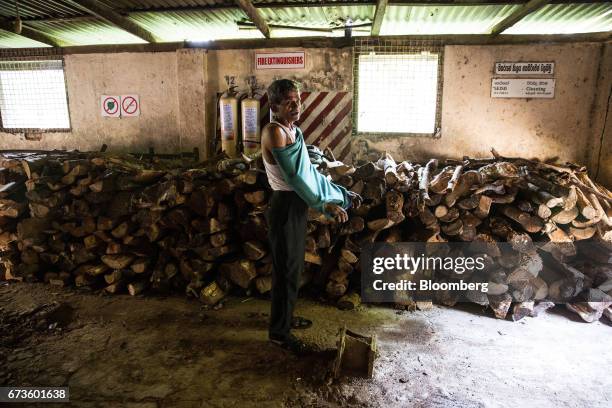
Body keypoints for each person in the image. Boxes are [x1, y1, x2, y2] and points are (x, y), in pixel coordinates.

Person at [261, 79, 361, 354]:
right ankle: (279, 334)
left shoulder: (295, 131)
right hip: (285, 204)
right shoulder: (275, 132)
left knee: (293, 268)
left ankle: (286, 319)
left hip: (297, 204)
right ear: (275, 106)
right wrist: (323, 205)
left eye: (298, 100)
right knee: (285, 271)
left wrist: (336, 193)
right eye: (289, 102)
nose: (296, 106)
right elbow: (295, 178)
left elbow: (310, 173)